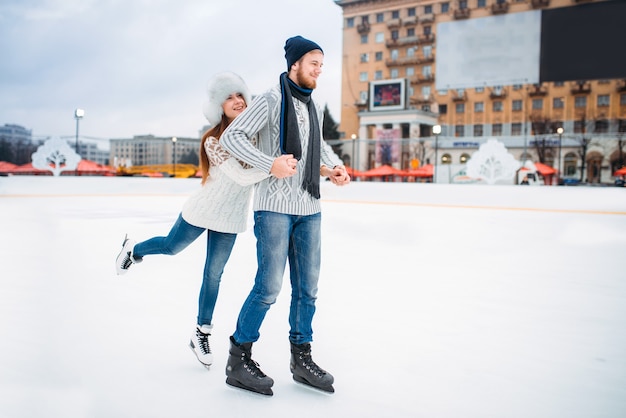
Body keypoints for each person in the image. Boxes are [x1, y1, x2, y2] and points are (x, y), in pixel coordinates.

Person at [114, 71, 297, 369]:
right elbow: (238, 176)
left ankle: (201, 332)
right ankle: (133, 249)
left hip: (231, 217)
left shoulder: (257, 138)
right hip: (203, 208)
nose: (237, 101)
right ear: (218, 106)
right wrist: (271, 167)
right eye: (229, 97)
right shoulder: (214, 139)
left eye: (240, 95)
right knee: (172, 247)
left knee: (214, 273)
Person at [219, 35, 350, 396]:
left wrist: (333, 167)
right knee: (269, 287)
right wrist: (269, 164)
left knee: (307, 290)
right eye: (314, 63)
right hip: (273, 208)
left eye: (322, 64)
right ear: (295, 64)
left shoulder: (313, 104)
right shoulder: (270, 99)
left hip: (309, 207)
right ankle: (238, 358)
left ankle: (301, 359)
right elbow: (233, 137)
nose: (319, 70)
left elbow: (316, 146)